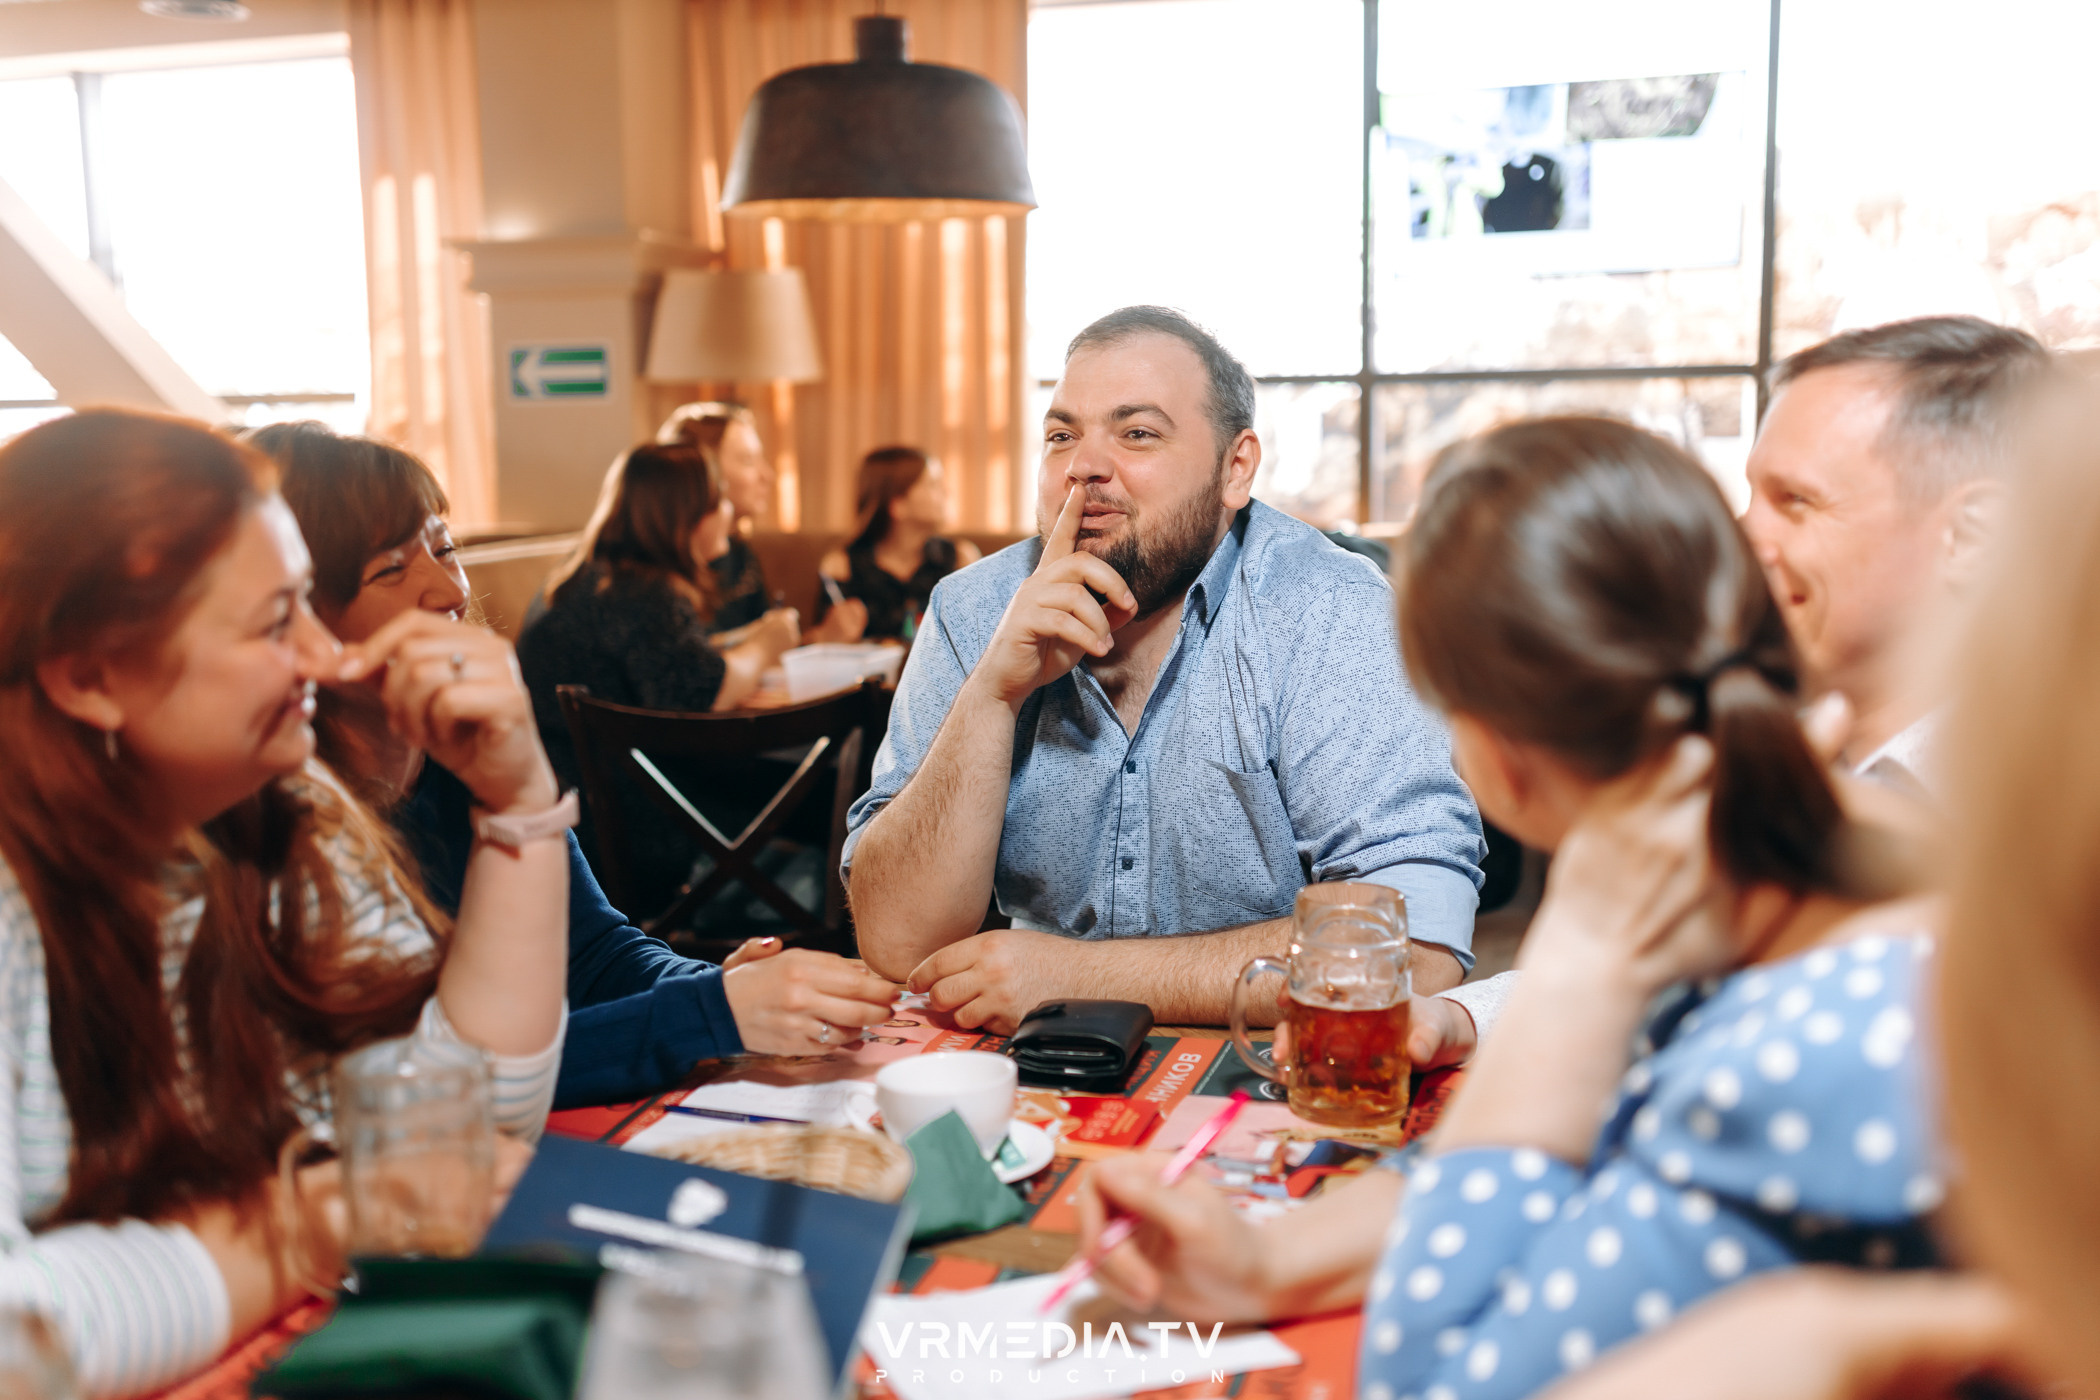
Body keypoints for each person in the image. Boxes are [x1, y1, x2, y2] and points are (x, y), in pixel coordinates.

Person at [1077, 416, 1935, 1400]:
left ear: (1487, 745)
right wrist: (1268, 1262)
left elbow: (1437, 1376)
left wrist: (1576, 967)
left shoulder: (1796, 1018)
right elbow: (1543, 1170)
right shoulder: (1729, 867)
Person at [0, 410, 568, 1396]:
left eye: (309, 604)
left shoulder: (282, 805)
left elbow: (460, 1127)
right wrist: (318, 1217)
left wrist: (519, 807)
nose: (328, 656)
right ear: (89, 677)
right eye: (275, 625)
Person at [844, 306, 1485, 1031]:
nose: (1083, 466)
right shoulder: (971, 611)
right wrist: (992, 697)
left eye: (1137, 433)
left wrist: (1080, 978)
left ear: (1235, 469)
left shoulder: (1326, 605)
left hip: (1268, 1062)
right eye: (1061, 436)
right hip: (1027, 1067)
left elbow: (1416, 943)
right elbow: (899, 943)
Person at [258, 423, 902, 1104]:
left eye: (445, 549)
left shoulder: (470, 753)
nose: (449, 591)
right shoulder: (281, 824)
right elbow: (422, 1079)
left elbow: (593, 952)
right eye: (390, 569)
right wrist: (708, 1013)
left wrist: (719, 988)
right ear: (294, 617)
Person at [1742, 315, 2049, 794]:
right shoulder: (1734, 768)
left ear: (1973, 538)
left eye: (1796, 500)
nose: (1743, 535)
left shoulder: (2050, 808)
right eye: (1752, 497)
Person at [657, 400, 867, 642]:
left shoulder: (740, 553)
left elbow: (763, 650)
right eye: (748, 460)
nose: (767, 475)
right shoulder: (662, 571)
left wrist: (821, 638)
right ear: (699, 469)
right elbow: (694, 656)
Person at [814, 446, 981, 641]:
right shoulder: (841, 565)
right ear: (898, 504)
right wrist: (830, 635)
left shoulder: (961, 558)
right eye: (932, 485)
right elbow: (812, 641)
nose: (946, 492)